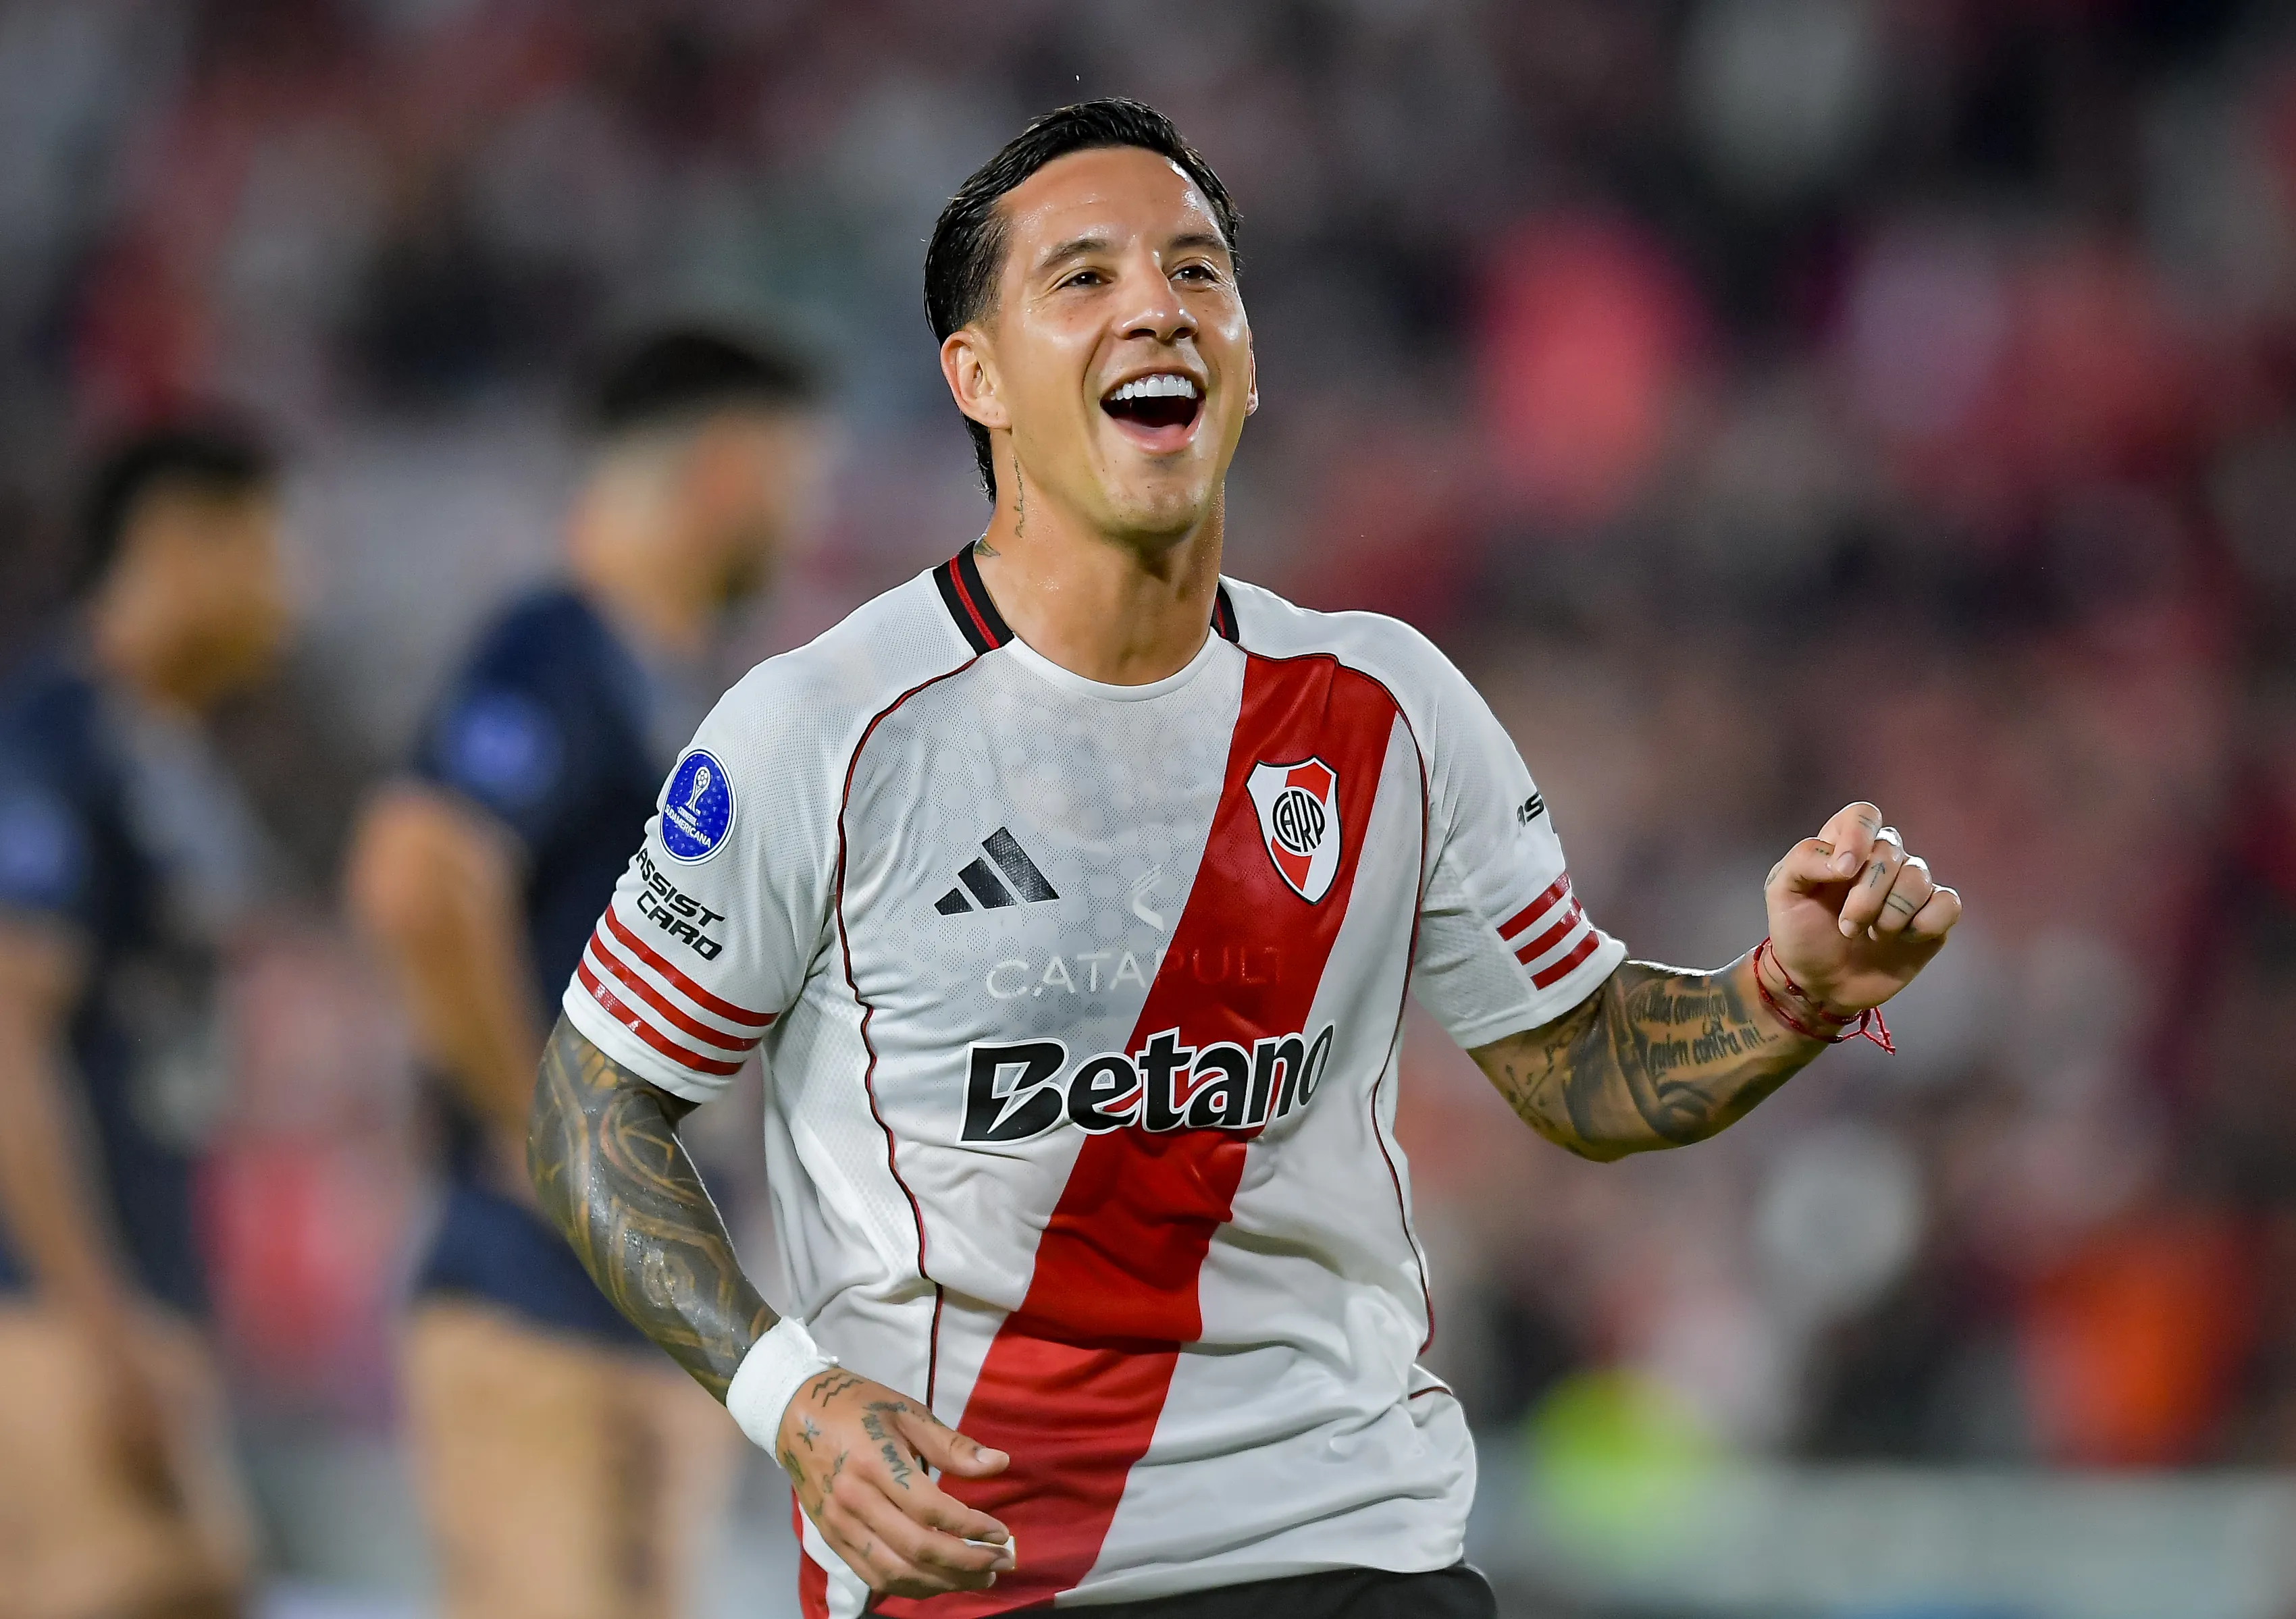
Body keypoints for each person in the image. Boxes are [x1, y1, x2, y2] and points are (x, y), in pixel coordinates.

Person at [526, 99, 1964, 1619]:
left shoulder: (1385, 703)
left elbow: (1580, 1064)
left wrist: (1786, 991)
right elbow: (591, 1102)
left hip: (1344, 1547)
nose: (1156, 302)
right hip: (971, 1572)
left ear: (1248, 361)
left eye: (1198, 271)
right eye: (1081, 278)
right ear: (976, 376)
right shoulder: (821, 729)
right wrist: (794, 1399)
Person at [346, 327, 827, 1619]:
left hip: (620, 1306)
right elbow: (416, 871)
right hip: (531, 1290)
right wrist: (540, 1133)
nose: (798, 515)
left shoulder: (653, 677)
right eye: (790, 476)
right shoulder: (555, 646)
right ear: (725, 471)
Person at [0, 423, 284, 1619]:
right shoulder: (54, 736)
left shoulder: (165, 751)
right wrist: (96, 1314)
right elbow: (8, 1030)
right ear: (178, 542)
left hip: (138, 1295)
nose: (290, 590)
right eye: (270, 549)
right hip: (48, 1303)